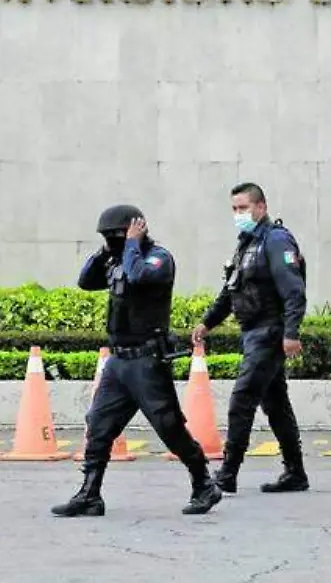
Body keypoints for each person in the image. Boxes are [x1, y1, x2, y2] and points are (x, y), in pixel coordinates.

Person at [51, 204, 222, 517]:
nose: (115, 241)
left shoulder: (158, 258)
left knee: (169, 427)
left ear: (137, 229)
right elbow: (86, 281)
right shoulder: (117, 259)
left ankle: (204, 483)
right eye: (109, 237)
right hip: (119, 362)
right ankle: (90, 494)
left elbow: (139, 276)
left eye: (117, 235)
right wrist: (106, 251)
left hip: (147, 361)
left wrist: (131, 244)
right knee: (99, 424)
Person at [191, 182, 309, 494]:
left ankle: (227, 475)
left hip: (269, 332)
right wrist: (207, 323)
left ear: (261, 207)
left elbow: (294, 290)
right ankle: (295, 473)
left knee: (242, 399)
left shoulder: (276, 240)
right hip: (253, 333)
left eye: (243, 208)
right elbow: (231, 290)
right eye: (234, 209)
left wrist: (291, 333)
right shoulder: (246, 244)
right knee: (276, 404)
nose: (239, 214)